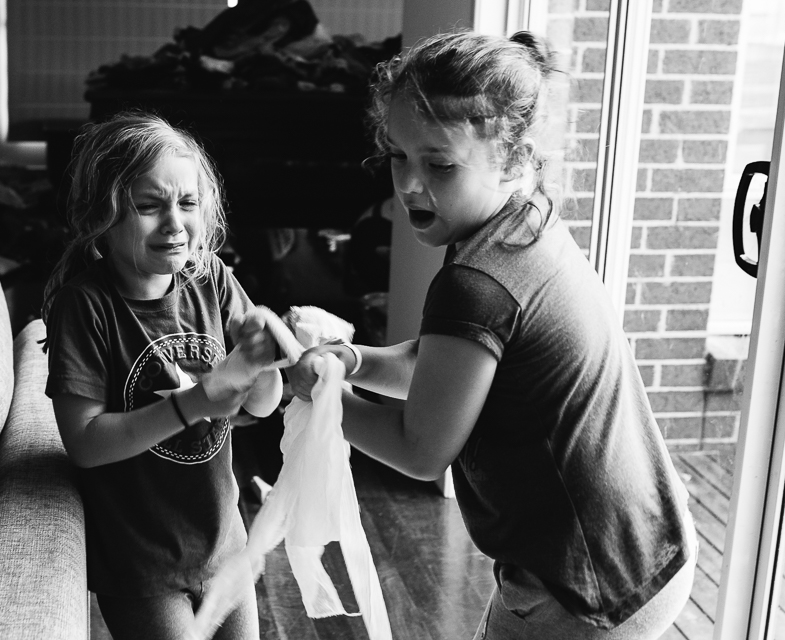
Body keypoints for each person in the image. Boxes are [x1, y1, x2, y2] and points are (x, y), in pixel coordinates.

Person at [288, 30, 697, 639]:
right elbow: (445, 365)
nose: (408, 185)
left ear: (513, 156)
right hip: (646, 545)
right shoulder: (529, 225)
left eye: (440, 164)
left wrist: (316, 395)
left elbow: (422, 449)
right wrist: (349, 361)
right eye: (398, 155)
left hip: (585, 587)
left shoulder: (475, 282)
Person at [41, 111, 282, 640]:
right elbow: (84, 442)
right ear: (101, 214)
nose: (175, 224)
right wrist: (195, 403)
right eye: (149, 206)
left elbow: (261, 406)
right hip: (143, 565)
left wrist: (260, 360)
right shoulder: (86, 306)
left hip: (225, 544)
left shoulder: (210, 277)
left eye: (188, 203)